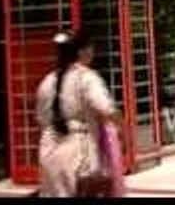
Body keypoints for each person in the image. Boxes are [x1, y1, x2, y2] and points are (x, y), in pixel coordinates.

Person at [36, 30, 124, 197]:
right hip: (79, 150)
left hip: (48, 150)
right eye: (91, 47)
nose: (93, 52)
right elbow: (106, 108)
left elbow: (41, 119)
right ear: (82, 51)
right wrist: (124, 128)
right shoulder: (87, 77)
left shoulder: (46, 81)